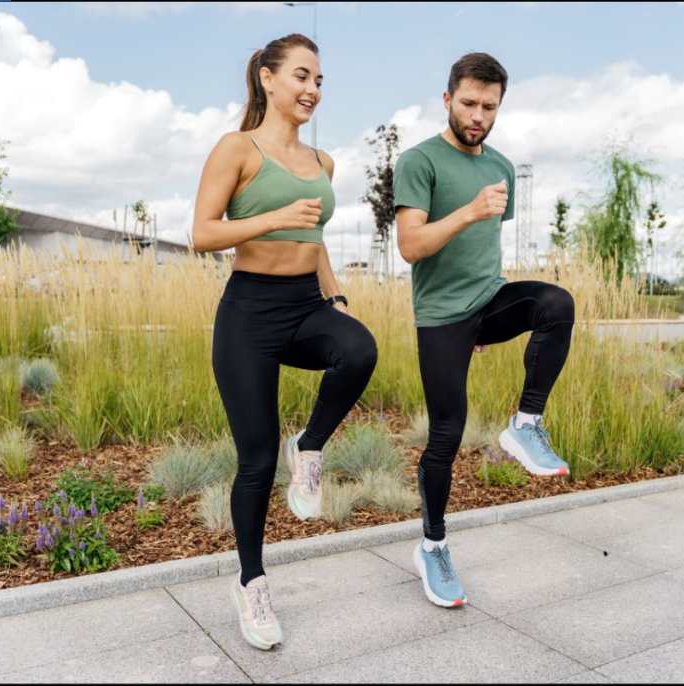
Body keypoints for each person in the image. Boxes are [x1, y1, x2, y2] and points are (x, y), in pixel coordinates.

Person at [192, 33, 377, 650]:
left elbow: (314, 239)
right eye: (301, 76)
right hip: (248, 313)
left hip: (305, 305)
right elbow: (202, 233)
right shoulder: (236, 148)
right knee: (255, 461)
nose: (312, 89)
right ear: (267, 78)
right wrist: (273, 218)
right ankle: (252, 584)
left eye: (319, 80)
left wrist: (336, 297)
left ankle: (311, 444)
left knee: (359, 349)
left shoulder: (323, 163)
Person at [393, 52, 576, 608]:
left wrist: (489, 316)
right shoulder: (419, 161)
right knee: (447, 434)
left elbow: (484, 249)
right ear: (447, 99)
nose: (478, 116)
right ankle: (433, 547)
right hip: (442, 317)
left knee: (556, 304)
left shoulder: (500, 167)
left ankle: (526, 424)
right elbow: (411, 246)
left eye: (489, 107)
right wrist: (469, 211)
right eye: (469, 103)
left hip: (488, 301)